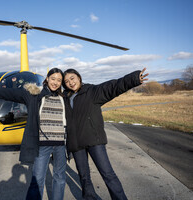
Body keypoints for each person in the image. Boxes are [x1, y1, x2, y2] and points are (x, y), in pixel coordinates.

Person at [0, 68, 67, 200]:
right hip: (42, 144)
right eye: (53, 79)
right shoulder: (34, 95)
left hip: (60, 145)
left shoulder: (63, 98)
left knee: (60, 178)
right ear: (47, 79)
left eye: (59, 80)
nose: (55, 82)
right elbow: (9, 93)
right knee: (37, 179)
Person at [63, 68, 149, 200]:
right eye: (67, 81)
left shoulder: (92, 91)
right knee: (84, 176)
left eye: (72, 78)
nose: (70, 82)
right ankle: (89, 197)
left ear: (79, 77)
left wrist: (133, 79)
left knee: (108, 174)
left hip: (94, 140)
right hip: (76, 143)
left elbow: (113, 86)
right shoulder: (65, 98)